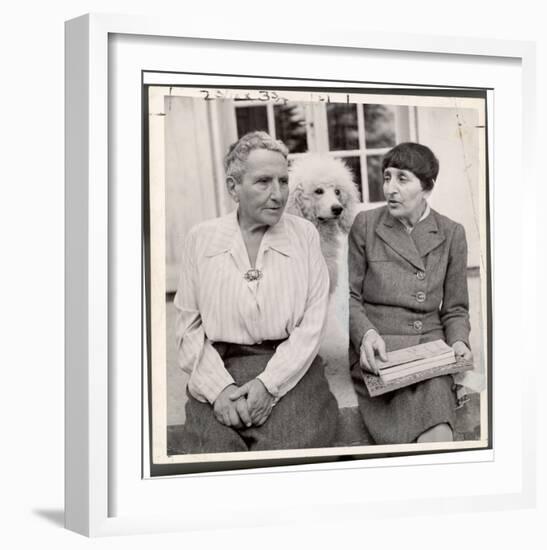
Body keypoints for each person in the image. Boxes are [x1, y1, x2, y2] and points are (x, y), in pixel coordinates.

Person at [173, 131, 338, 453]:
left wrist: (269, 384)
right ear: (233, 187)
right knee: (213, 453)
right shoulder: (202, 238)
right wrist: (218, 390)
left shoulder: (303, 235)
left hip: (291, 367)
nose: (278, 194)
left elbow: (312, 324)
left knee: (292, 449)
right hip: (219, 365)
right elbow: (188, 328)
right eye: (263, 182)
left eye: (283, 181)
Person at [348, 142, 473, 444]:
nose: (390, 188)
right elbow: (349, 298)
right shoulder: (366, 224)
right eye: (387, 177)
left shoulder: (451, 232)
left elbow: (455, 308)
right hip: (378, 349)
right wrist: (365, 335)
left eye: (402, 179)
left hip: (429, 351)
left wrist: (458, 341)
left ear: (427, 187)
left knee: (438, 432)